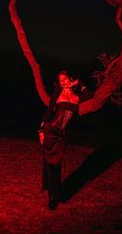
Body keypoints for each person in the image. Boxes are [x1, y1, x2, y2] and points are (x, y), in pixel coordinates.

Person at [38, 71, 91, 210]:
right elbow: (49, 112)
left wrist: (79, 82)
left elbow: (89, 96)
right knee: (50, 165)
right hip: (50, 132)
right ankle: (52, 197)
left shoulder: (76, 97)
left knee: (58, 164)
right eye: (61, 81)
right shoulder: (57, 94)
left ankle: (57, 191)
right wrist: (41, 130)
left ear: (70, 79)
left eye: (65, 79)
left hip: (61, 134)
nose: (63, 82)